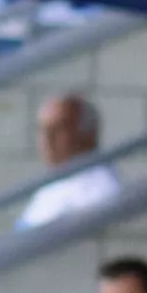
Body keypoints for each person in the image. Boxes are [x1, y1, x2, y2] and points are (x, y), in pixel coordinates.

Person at [19, 93, 122, 229]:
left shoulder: (101, 191)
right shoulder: (57, 180)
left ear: (88, 135)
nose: (47, 139)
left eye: (59, 129)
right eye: (43, 129)